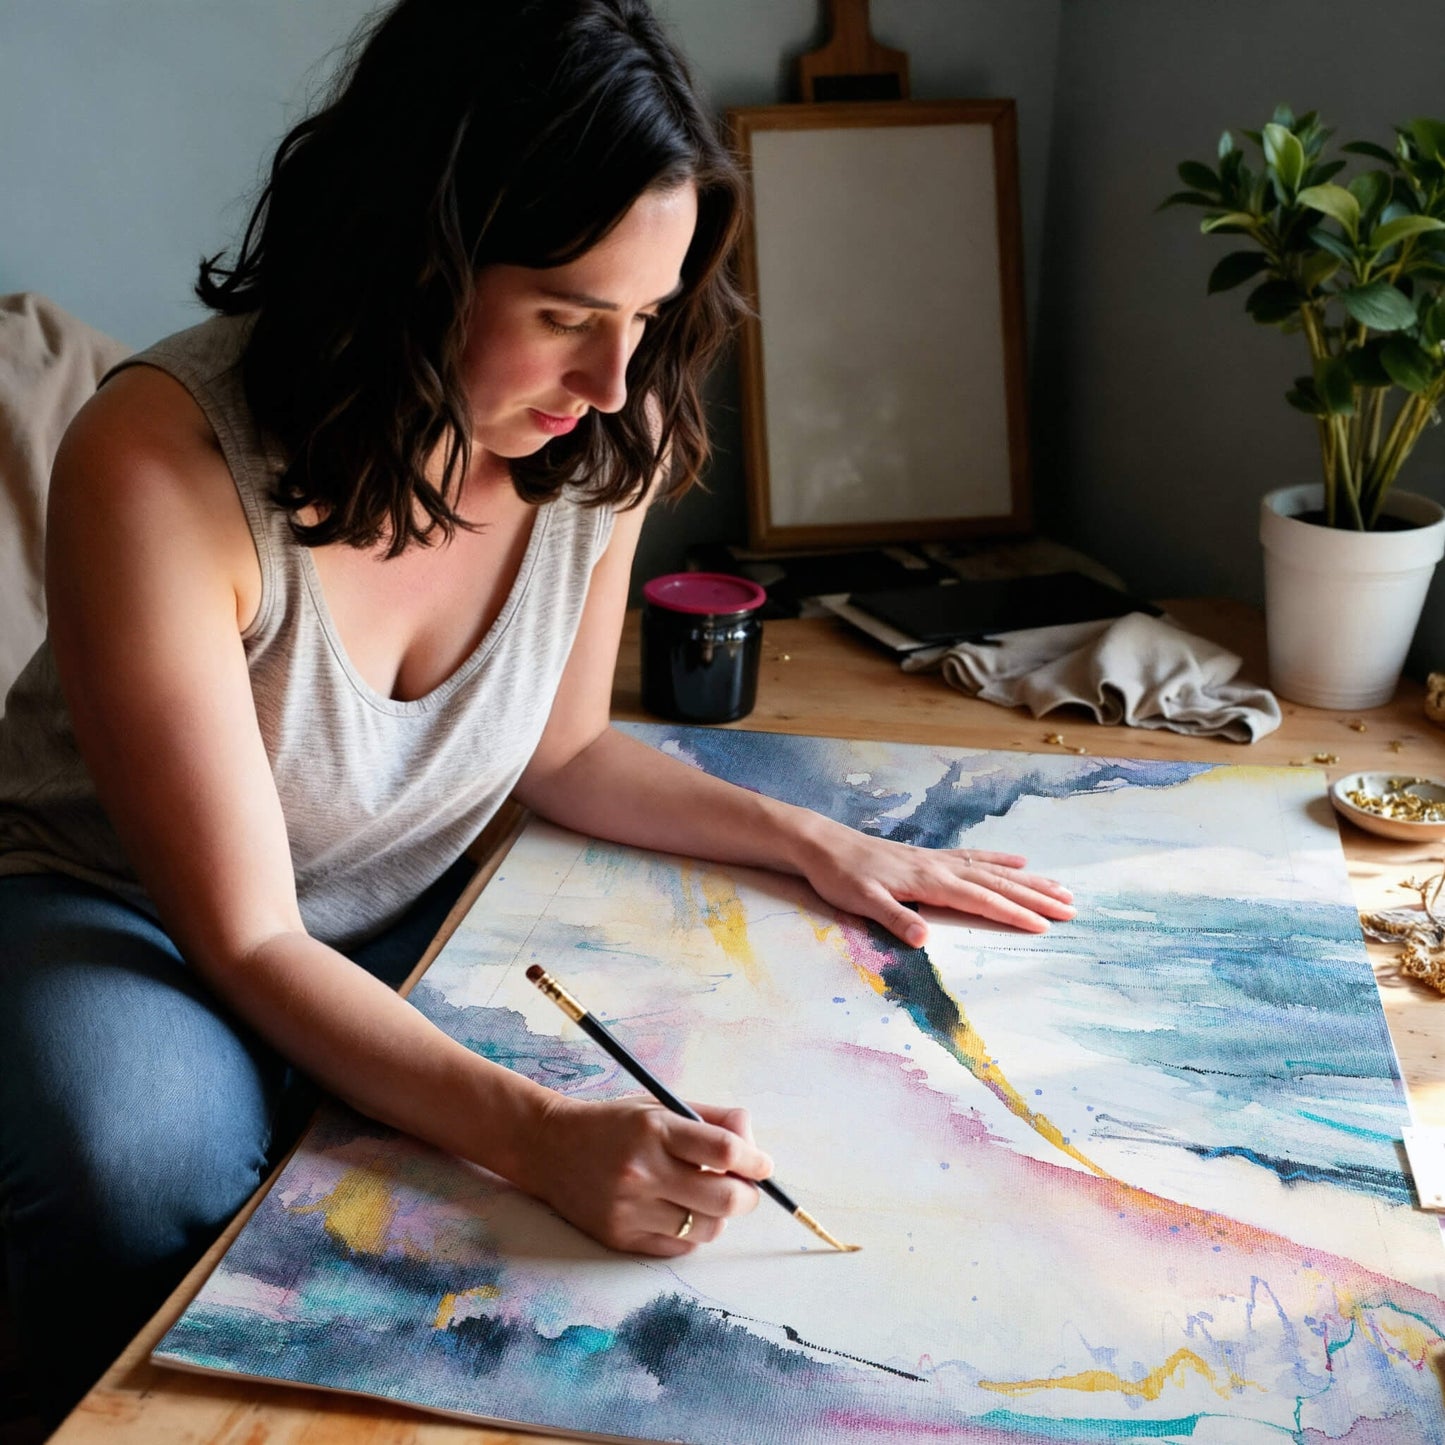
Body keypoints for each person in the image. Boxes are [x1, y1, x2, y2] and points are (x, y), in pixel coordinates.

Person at [0, 0, 1075, 1423]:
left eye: (644, 317)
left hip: (389, 892)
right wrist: (536, 1134)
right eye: (568, 315)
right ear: (409, 260)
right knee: (135, 1149)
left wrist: (815, 841)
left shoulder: (598, 432)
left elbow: (560, 750)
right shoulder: (158, 461)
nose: (614, 378)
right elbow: (246, 930)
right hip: (123, 906)